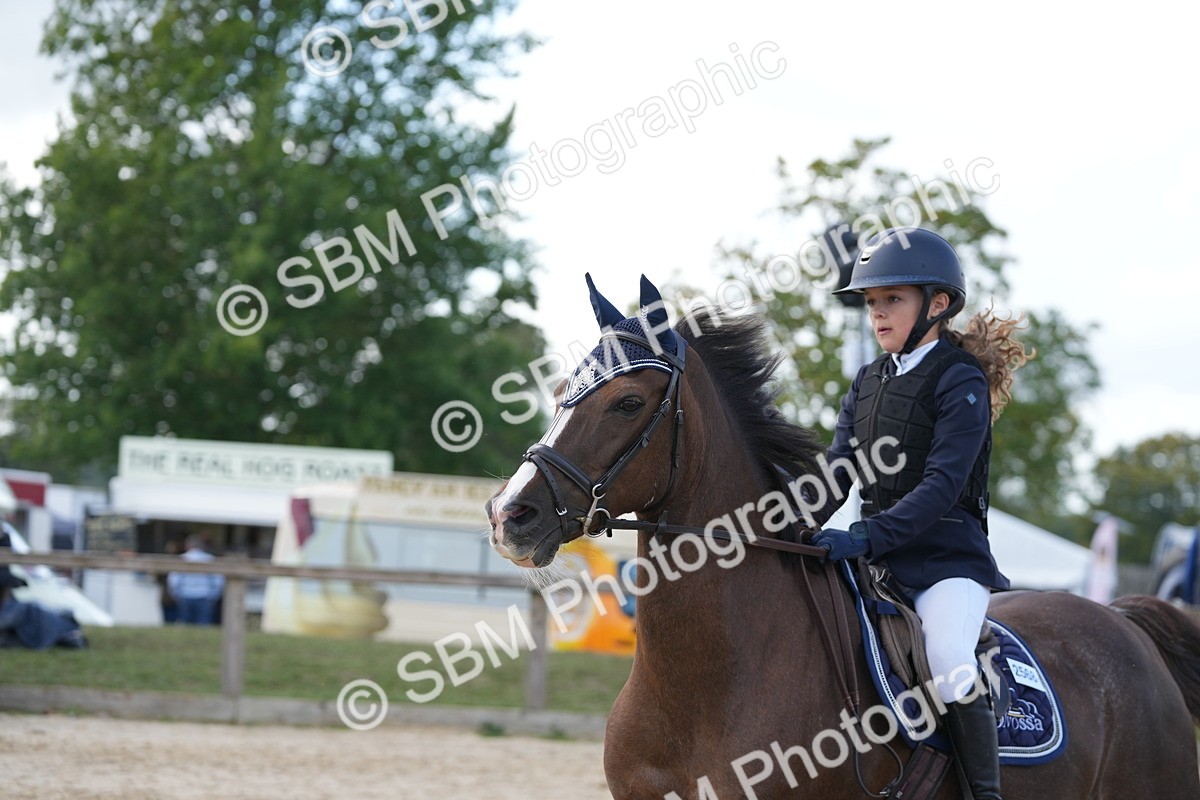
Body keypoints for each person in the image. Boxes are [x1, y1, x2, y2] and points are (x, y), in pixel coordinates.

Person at [809, 227, 1030, 800]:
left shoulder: (960, 380)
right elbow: (838, 470)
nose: (877, 316)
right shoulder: (867, 381)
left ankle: (985, 792)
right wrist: (787, 522)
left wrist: (862, 536)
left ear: (937, 304)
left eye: (892, 301)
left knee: (951, 658)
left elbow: (941, 487)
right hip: (879, 559)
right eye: (872, 304)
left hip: (945, 560)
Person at [167, 535, 225, 625]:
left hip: (185, 595)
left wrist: (177, 595)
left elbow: (173, 581)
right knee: (203, 626)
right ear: (202, 546)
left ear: (187, 546)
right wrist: (213, 596)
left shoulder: (182, 559)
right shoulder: (210, 559)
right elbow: (218, 581)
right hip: (205, 596)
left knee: (185, 626)